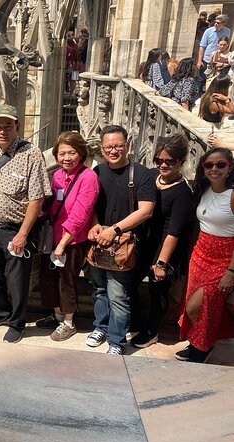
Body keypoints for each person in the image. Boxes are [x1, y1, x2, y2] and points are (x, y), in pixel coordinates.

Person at [0, 104, 52, 343]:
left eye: (8, 125)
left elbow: (37, 197)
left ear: (17, 127)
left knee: (17, 281)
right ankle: (0, 312)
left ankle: (17, 323)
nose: (2, 130)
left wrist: (22, 234)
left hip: (16, 230)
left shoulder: (31, 154)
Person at [86, 125, 156, 355]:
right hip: (99, 241)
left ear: (128, 146)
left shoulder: (143, 174)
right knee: (100, 290)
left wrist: (114, 230)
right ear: (102, 148)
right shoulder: (97, 172)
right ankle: (101, 328)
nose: (113, 150)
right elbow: (92, 205)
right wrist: (96, 224)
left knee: (118, 294)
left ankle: (116, 341)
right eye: (108, 147)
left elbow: (145, 211)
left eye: (118, 146)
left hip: (123, 243)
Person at [130, 135, 193, 348]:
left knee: (157, 291)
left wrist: (161, 264)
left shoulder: (183, 192)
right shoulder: (150, 177)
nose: (163, 165)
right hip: (145, 242)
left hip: (166, 247)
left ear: (181, 162)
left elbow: (174, 232)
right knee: (129, 282)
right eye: (159, 160)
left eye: (169, 161)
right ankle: (136, 322)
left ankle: (151, 331)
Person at [35, 131, 99, 341]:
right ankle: (57, 316)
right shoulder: (58, 176)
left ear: (81, 153)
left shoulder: (88, 177)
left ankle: (69, 323)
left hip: (72, 240)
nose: (67, 158)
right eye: (62, 153)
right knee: (48, 278)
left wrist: (62, 244)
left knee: (66, 281)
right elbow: (53, 205)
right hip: (52, 237)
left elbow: (81, 214)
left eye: (72, 153)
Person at [177, 148, 234, 362]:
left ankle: (203, 348)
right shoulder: (202, 189)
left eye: (221, 165)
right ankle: (195, 345)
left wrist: (231, 271)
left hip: (224, 259)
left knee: (199, 308)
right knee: (195, 306)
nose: (214, 169)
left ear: (229, 167)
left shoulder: (232, 195)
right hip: (200, 255)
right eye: (209, 165)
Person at [197, 14, 231, 94]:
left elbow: (226, 44)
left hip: (220, 59)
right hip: (207, 59)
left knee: (217, 80)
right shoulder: (208, 31)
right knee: (202, 79)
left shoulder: (227, 31)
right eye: (215, 22)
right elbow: (202, 46)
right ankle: (198, 97)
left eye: (218, 23)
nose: (216, 24)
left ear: (224, 23)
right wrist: (199, 60)